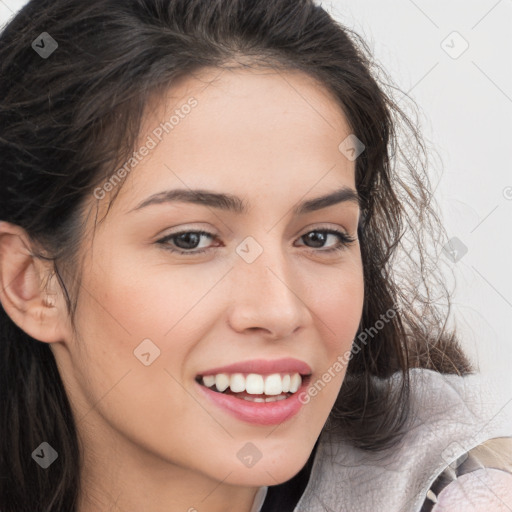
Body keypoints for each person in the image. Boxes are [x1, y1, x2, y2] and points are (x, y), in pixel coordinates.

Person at [0, 1, 511, 511]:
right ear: (30, 282)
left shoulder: (463, 488)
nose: (279, 310)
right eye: (191, 239)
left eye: (319, 237)